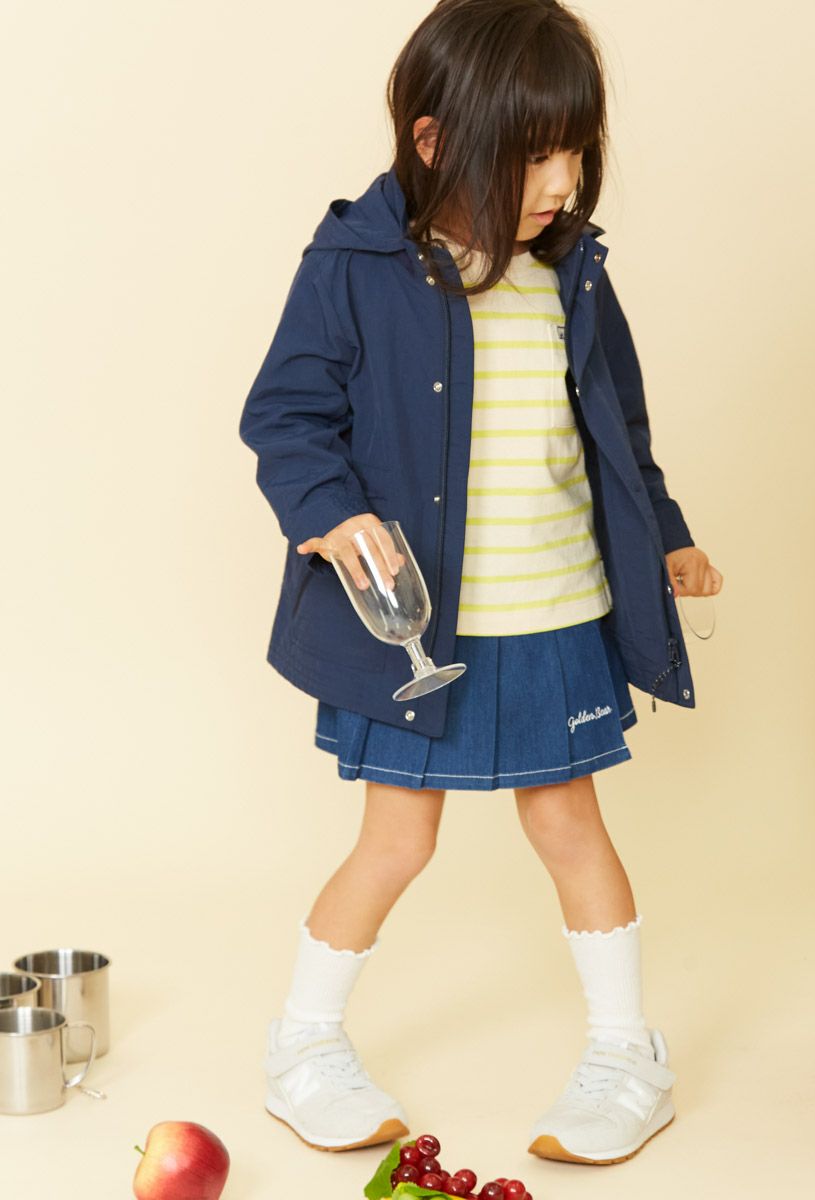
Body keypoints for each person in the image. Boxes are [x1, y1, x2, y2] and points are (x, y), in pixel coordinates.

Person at [239, 0, 723, 1171]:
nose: (562, 182)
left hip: (557, 619)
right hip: (417, 634)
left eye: (576, 150)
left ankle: (629, 1055)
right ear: (435, 139)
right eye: (532, 152)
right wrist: (330, 515)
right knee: (397, 841)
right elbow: (287, 416)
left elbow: (622, 435)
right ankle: (303, 1045)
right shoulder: (354, 266)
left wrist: (666, 537)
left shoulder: (572, 278)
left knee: (570, 825)